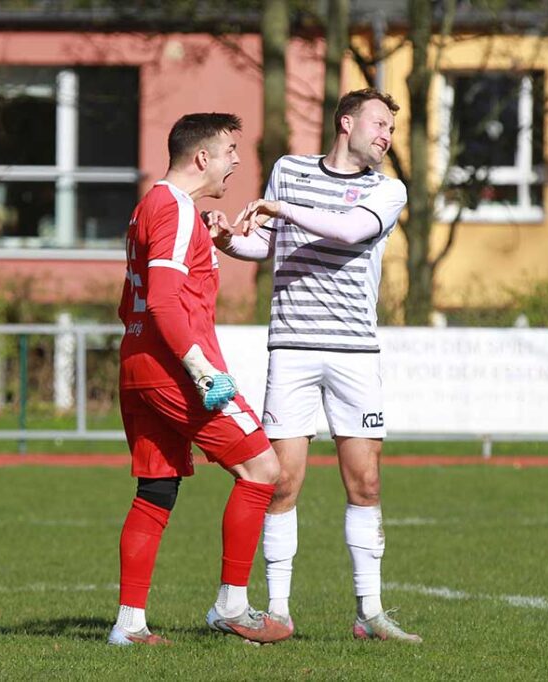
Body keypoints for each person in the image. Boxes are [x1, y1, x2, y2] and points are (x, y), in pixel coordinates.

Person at [209, 89, 422, 643]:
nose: (386, 135)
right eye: (379, 123)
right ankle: (277, 609)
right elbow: (271, 247)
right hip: (294, 349)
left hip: (355, 353)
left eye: (392, 129)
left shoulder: (388, 189)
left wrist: (279, 210)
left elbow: (350, 231)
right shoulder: (289, 170)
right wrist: (231, 242)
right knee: (282, 484)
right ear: (345, 122)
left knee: (366, 481)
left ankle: (369, 614)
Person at [108, 113, 293, 646]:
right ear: (202, 158)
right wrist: (201, 369)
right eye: (231, 150)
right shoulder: (176, 209)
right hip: (176, 371)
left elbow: (136, 302)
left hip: (138, 363)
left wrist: (213, 244)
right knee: (263, 470)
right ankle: (232, 606)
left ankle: (130, 625)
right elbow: (165, 301)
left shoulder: (152, 206)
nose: (237, 161)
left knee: (156, 491)